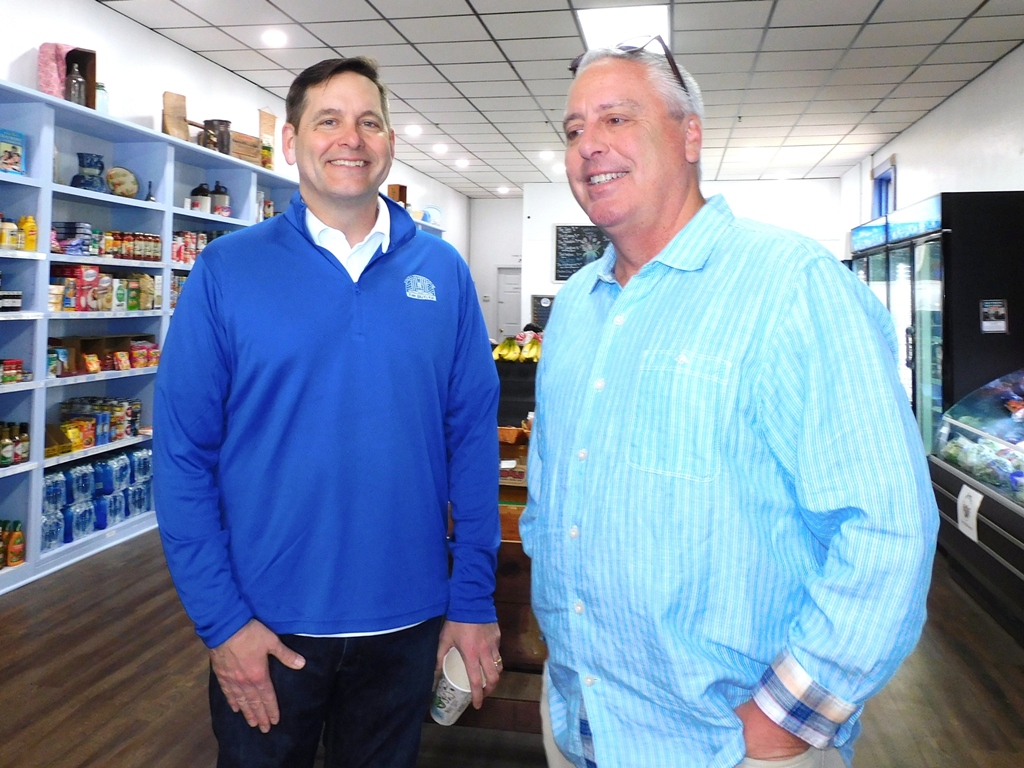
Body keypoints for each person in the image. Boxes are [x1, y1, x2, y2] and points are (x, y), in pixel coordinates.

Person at [520, 37, 939, 768]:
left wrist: (785, 719)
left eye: (617, 118)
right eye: (575, 128)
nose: (589, 145)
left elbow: (887, 526)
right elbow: (553, 501)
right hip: (580, 727)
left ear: (690, 136)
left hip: (728, 746)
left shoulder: (792, 285)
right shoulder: (578, 305)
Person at [154, 56, 503, 768]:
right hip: (266, 625)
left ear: (390, 143)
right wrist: (222, 623)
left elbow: (471, 441)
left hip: (408, 620)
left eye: (369, 122)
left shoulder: (443, 273)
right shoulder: (227, 270)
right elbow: (183, 456)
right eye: (329, 120)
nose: (352, 138)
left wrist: (472, 598)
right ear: (291, 142)